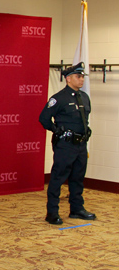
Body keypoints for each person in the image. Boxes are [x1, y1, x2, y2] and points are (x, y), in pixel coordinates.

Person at [39, 62, 96, 225]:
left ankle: (77, 209)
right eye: (78, 76)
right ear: (68, 78)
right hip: (65, 145)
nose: (82, 80)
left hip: (80, 144)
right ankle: (52, 212)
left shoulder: (84, 97)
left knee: (78, 177)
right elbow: (43, 118)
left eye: (82, 76)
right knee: (58, 177)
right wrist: (57, 130)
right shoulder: (58, 98)